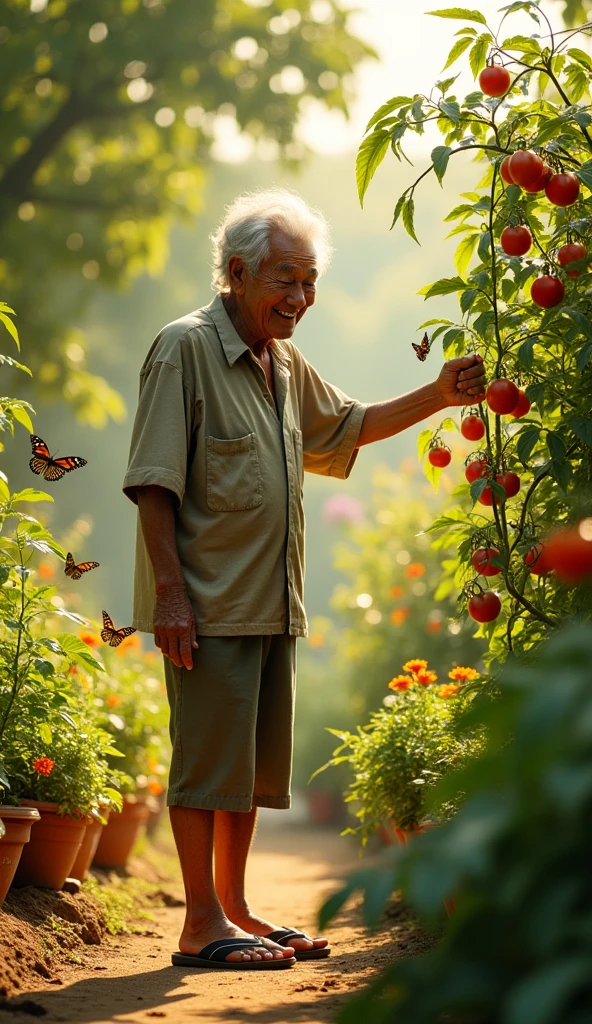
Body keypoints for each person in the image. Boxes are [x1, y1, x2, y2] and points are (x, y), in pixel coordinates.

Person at [123, 188, 486, 971]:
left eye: (309, 281)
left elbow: (348, 427)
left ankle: (237, 908)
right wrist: (171, 594)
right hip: (208, 602)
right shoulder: (183, 348)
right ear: (236, 272)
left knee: (250, 772)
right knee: (205, 767)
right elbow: (154, 480)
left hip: (270, 602)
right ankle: (199, 924)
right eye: (284, 280)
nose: (300, 298)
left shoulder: (282, 363)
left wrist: (438, 394)